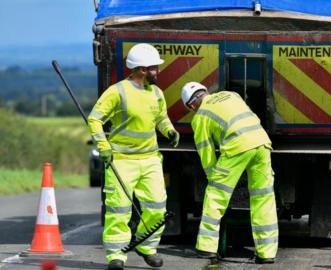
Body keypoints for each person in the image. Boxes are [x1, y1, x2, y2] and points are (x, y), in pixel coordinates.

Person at [88, 43, 180, 270]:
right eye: (152, 68)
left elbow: (160, 118)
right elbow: (95, 119)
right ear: (139, 69)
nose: (156, 72)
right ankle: (116, 255)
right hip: (121, 160)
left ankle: (146, 246)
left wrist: (169, 130)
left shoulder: (156, 93)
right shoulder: (117, 91)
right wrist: (103, 146)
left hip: (150, 160)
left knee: (157, 207)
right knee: (119, 209)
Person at [181, 82, 278, 264]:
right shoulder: (231, 95)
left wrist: (214, 179)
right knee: (263, 198)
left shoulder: (200, 116)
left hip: (237, 147)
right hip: (262, 143)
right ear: (206, 92)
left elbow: (206, 152)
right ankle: (266, 253)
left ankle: (206, 247)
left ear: (192, 105)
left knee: (215, 196)